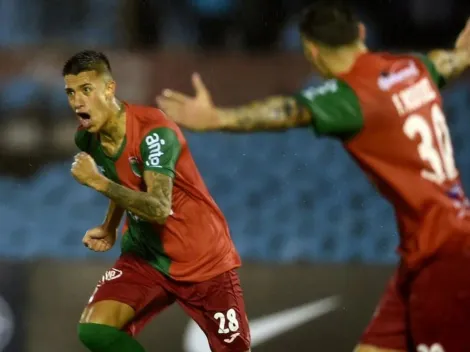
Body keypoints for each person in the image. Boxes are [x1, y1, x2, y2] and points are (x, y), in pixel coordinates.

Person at [156, 1, 470, 351]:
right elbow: (459, 56)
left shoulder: (350, 94)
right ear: (361, 34)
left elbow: (289, 112)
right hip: (429, 247)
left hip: (441, 255)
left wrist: (219, 118)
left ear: (312, 50)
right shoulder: (415, 66)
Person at [65, 50, 251, 352]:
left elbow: (159, 207)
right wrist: (110, 226)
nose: (77, 101)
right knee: (95, 329)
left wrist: (97, 182)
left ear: (110, 88)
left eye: (86, 90)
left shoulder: (154, 132)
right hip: (145, 255)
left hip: (202, 258)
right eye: (71, 92)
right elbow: (125, 180)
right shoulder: (88, 138)